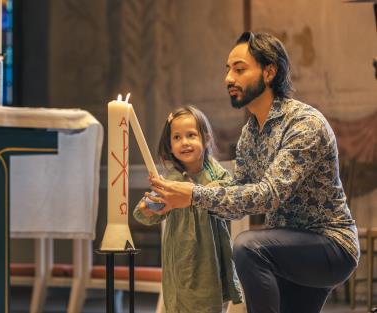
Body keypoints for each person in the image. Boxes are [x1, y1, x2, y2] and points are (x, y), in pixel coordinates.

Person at [147, 32, 359, 313]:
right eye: (227, 70)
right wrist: (174, 199)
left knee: (248, 247)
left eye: (239, 69)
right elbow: (237, 202)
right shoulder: (250, 133)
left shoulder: (304, 124)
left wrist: (195, 195)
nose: (228, 79)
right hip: (284, 249)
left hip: (330, 245)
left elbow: (268, 195)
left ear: (269, 72)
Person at [133, 105, 242, 313]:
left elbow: (229, 189)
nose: (184, 142)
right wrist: (150, 206)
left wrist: (196, 192)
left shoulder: (213, 171)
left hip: (208, 256)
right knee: (179, 301)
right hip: (180, 256)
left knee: (207, 300)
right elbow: (148, 212)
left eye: (191, 135)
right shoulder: (171, 179)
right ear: (170, 145)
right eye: (176, 137)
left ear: (206, 138)